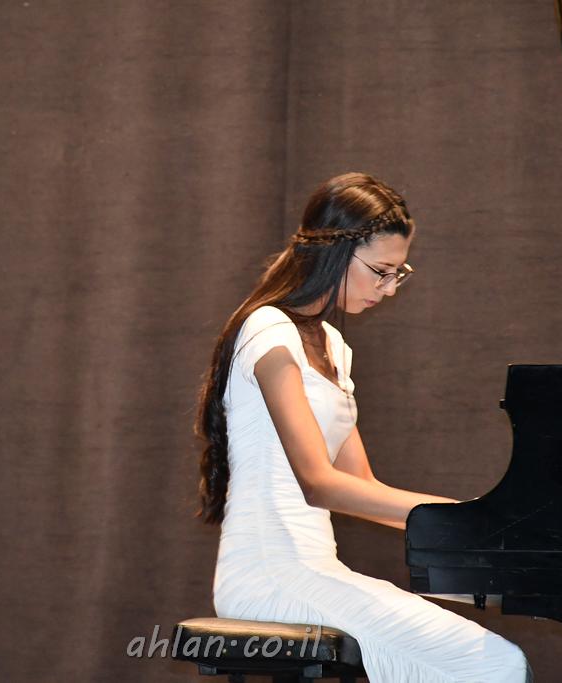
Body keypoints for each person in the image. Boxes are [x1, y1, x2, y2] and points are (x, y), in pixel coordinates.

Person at [195, 173, 531, 682]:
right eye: (381, 271)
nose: (389, 288)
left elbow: (361, 486)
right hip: (268, 574)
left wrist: (471, 530)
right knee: (496, 664)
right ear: (336, 252)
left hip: (313, 570)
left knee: (496, 661)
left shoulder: (333, 345)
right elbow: (319, 484)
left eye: (399, 273)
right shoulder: (268, 330)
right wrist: (466, 518)